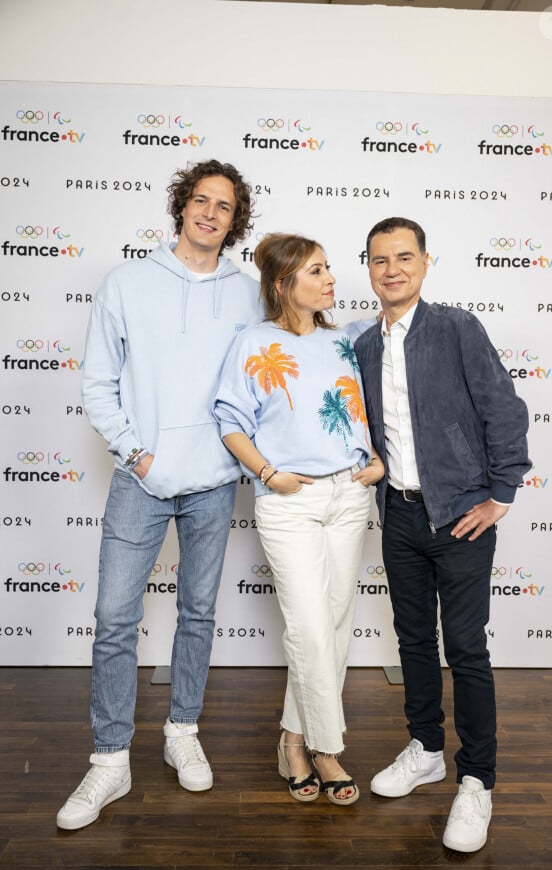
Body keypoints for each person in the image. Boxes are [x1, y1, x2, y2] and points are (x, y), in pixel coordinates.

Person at [56, 160, 263, 830]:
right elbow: (98, 382)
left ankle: (182, 731)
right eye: (200, 201)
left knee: (198, 613)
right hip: (139, 480)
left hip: (214, 481)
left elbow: (265, 379)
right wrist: (134, 450)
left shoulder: (249, 292)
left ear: (236, 221)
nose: (210, 213)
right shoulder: (127, 283)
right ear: (181, 208)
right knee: (116, 617)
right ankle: (110, 759)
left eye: (224, 206)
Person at [354, 217, 531, 851]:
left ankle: (477, 780)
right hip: (399, 515)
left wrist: (501, 495)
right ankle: (426, 746)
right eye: (379, 259)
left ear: (426, 263)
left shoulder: (457, 327)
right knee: (412, 641)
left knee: (466, 649)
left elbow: (503, 409)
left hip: (459, 514)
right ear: (367, 268)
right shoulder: (363, 345)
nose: (392, 268)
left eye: (404, 257)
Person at [213, 233, 384, 806]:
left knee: (332, 628)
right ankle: (327, 748)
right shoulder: (254, 342)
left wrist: (376, 458)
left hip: (349, 497)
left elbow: (371, 407)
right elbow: (230, 420)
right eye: (317, 270)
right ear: (284, 284)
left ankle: (291, 739)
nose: (332, 278)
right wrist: (268, 473)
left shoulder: (345, 341)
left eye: (330, 268)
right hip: (290, 500)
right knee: (310, 628)